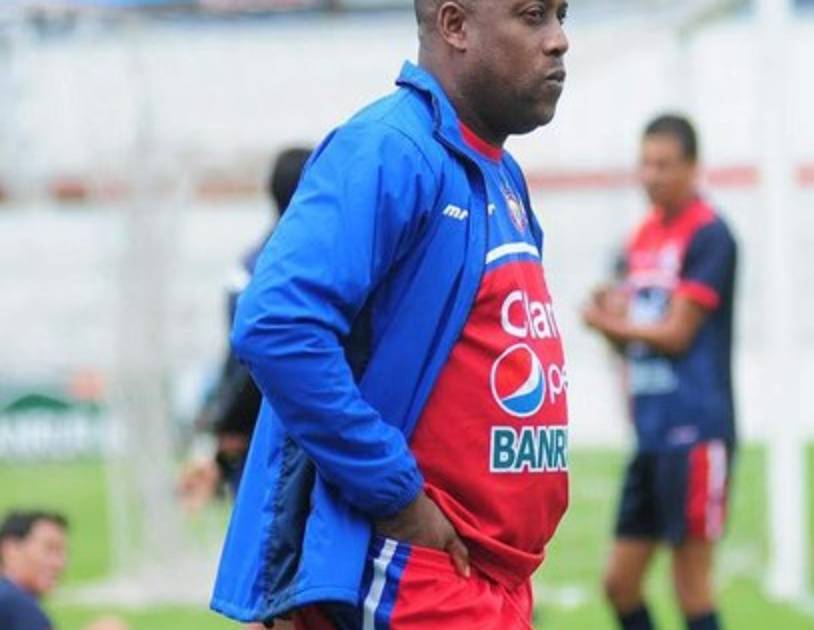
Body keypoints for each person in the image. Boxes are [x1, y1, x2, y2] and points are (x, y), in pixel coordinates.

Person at [210, 1, 570, 629]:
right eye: (533, 15)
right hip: (412, 568)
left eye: (564, 16)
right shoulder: (387, 148)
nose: (559, 40)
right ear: (455, 26)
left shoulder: (500, 173)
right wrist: (396, 492)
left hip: (486, 571)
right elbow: (277, 326)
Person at [583, 114, 738, 630]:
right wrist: (608, 315)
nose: (651, 175)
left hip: (695, 432)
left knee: (690, 585)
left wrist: (610, 323)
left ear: (693, 167)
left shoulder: (711, 235)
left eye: (664, 165)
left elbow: (677, 335)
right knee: (619, 583)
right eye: (645, 164)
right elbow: (628, 338)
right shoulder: (640, 238)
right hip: (650, 431)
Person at [179, 146, 313, 511]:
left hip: (261, 432)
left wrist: (225, 425)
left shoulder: (251, 266)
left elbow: (239, 353)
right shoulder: (312, 263)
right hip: (298, 431)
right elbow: (254, 352)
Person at [0, 511, 127, 630]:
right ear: (12, 549)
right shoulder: (16, 603)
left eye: (62, 553)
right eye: (49, 549)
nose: (59, 563)